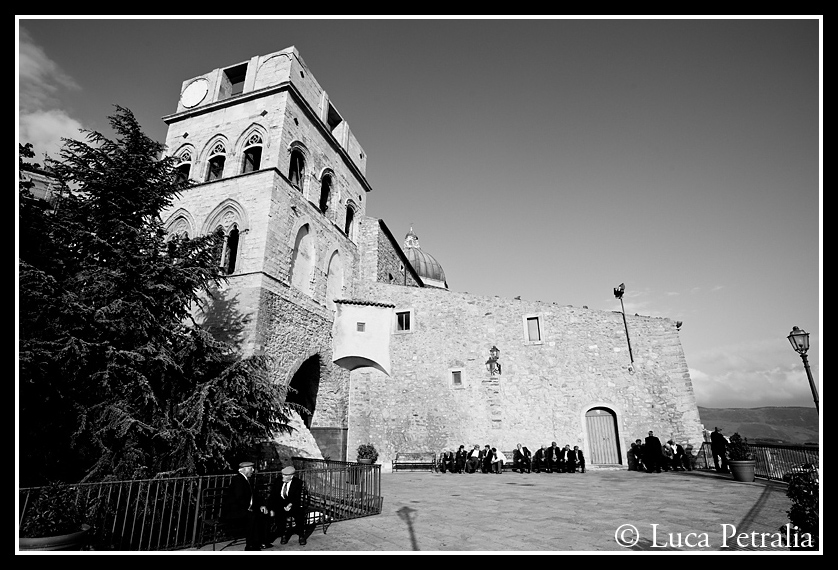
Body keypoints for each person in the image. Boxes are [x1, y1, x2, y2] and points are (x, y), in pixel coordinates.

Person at [220, 461, 270, 551]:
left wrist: (260, 506)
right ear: (244, 469)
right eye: (251, 468)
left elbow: (253, 496)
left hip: (244, 509)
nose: (253, 470)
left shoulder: (245, 479)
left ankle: (263, 541)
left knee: (264, 514)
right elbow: (240, 498)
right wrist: (249, 509)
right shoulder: (238, 480)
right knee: (252, 517)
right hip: (235, 511)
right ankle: (250, 546)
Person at [268, 465, 309, 546]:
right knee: (279, 515)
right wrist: (271, 508)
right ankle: (283, 535)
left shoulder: (297, 482)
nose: (283, 477)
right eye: (283, 475)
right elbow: (273, 495)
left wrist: (290, 505)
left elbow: (296, 497)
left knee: (299, 514)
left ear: (291, 476)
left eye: (286, 475)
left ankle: (301, 535)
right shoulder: (278, 481)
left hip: (293, 504)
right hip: (280, 504)